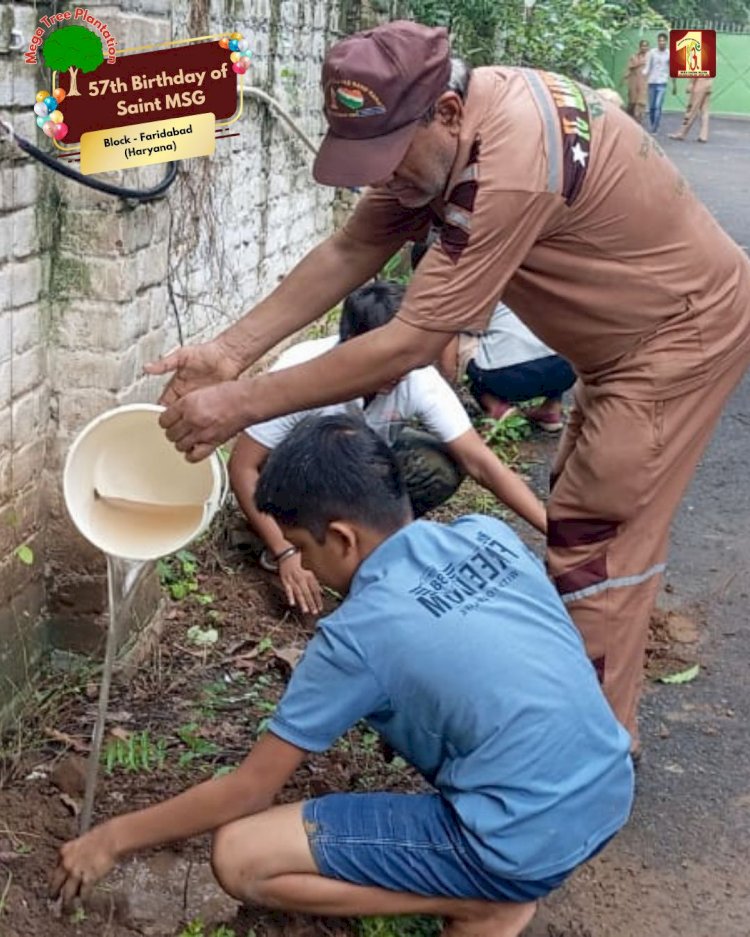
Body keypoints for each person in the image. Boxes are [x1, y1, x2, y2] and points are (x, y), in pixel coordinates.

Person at [145, 21, 750, 752]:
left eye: (389, 157)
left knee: (599, 538)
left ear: (448, 114)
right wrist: (228, 352)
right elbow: (351, 246)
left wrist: (237, 403)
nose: (381, 179)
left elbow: (410, 342)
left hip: (676, 340)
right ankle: (567, 706)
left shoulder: (510, 164)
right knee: (581, 515)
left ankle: (585, 760)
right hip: (619, 344)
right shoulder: (445, 137)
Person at [53, 415, 635, 937]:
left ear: (342, 538)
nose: (300, 564)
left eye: (302, 547)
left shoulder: (356, 636)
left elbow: (249, 790)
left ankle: (483, 904)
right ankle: (499, 878)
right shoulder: (486, 536)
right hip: (607, 789)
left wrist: (111, 838)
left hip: (517, 841)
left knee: (240, 854)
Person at [229, 282, 547, 614]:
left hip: (348, 475)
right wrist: (286, 552)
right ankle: (293, 539)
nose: (396, 373)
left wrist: (556, 534)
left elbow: (482, 464)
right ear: (350, 347)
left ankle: (369, 552)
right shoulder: (299, 374)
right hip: (294, 480)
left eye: (403, 359)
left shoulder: (417, 378)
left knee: (438, 464)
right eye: (382, 361)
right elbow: (242, 467)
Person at [411, 238, 576, 431]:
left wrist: (446, 394)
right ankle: (551, 408)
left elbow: (448, 361)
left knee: (453, 337)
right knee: (548, 333)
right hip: (568, 367)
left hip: (511, 378)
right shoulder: (509, 270)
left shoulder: (451, 294)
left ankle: (496, 407)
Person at [669, 76, 713, 143]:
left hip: (699, 83)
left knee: (691, 108)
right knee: (704, 110)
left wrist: (691, 83)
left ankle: (682, 133)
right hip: (708, 82)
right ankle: (703, 135)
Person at [643, 32, 670, 133]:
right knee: (652, 107)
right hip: (652, 82)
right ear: (658, 41)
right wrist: (643, 75)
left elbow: (671, 69)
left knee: (658, 106)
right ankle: (653, 123)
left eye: (663, 41)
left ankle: (655, 128)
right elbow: (647, 67)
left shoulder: (669, 54)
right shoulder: (652, 53)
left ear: (666, 42)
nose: (662, 42)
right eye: (660, 41)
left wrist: (674, 84)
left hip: (662, 83)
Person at [622, 39, 649, 123]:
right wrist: (624, 78)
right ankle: (629, 119)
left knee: (641, 102)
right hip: (633, 81)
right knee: (632, 102)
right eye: (642, 46)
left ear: (648, 47)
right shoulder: (634, 57)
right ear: (640, 47)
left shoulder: (650, 58)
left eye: (646, 46)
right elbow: (629, 68)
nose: (644, 48)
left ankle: (638, 120)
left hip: (644, 82)